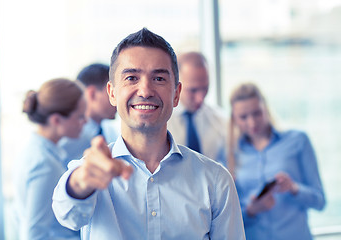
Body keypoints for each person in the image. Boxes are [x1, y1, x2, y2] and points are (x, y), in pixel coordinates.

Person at [52, 28, 245, 240]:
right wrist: (80, 183)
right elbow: (67, 213)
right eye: (132, 78)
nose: (145, 91)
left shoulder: (216, 181)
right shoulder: (90, 171)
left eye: (159, 79)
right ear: (112, 93)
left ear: (176, 94)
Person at [227, 82, 326, 240]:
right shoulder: (228, 154)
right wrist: (251, 210)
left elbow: (320, 201)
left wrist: (294, 188)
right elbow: (226, 217)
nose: (252, 122)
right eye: (243, 117)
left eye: (257, 113)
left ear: (266, 108)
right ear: (234, 118)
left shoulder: (298, 141)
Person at [13, 78, 86, 239]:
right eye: (80, 116)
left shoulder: (32, 150)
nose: (85, 122)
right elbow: (35, 234)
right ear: (56, 120)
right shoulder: (45, 164)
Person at [167, 51, 227, 165]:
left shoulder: (220, 120)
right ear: (175, 84)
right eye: (193, 90)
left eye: (205, 88)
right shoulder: (159, 121)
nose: (200, 98)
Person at [58, 63, 118, 166]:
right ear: (92, 94)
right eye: (111, 91)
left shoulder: (111, 132)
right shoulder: (67, 138)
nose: (117, 98)